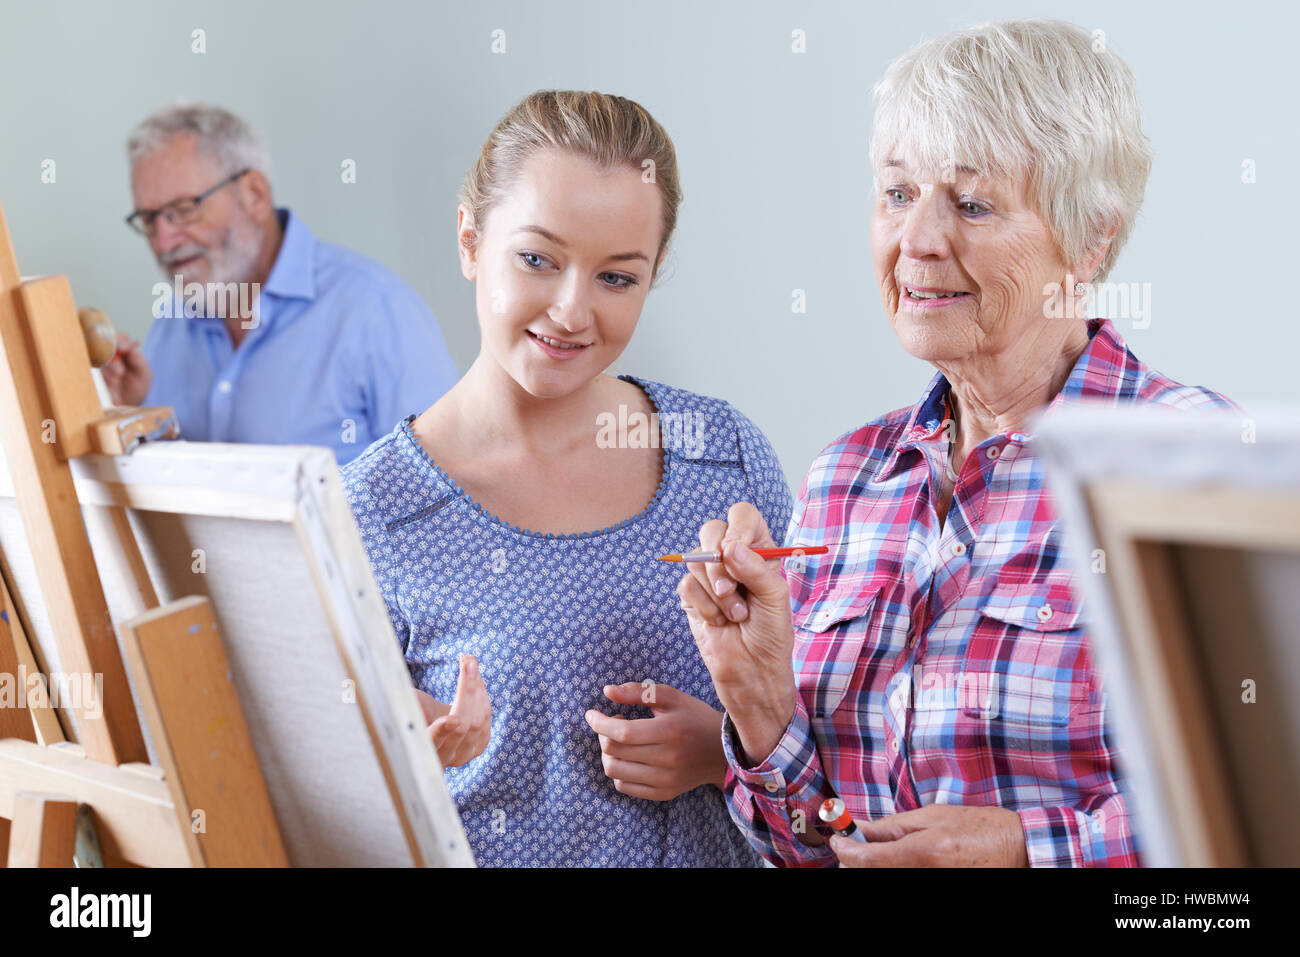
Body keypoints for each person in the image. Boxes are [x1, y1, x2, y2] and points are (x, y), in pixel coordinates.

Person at [676, 19, 1239, 868]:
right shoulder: (846, 479)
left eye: (971, 203)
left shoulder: (1195, 463)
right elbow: (815, 845)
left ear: (1093, 239)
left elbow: (1256, 831)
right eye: (898, 194)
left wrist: (1031, 852)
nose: (919, 240)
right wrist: (759, 707)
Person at [340, 90, 790, 866]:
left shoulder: (725, 457)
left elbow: (834, 738)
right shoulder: (371, 513)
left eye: (617, 278)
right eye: (538, 260)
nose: (572, 311)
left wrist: (723, 756)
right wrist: (400, 761)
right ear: (470, 241)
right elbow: (314, 798)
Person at [105, 103, 457, 465]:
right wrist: (130, 414)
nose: (164, 242)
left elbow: (447, 492)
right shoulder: (169, 326)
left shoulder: (375, 311)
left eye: (183, 210)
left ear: (254, 195)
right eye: (149, 220)